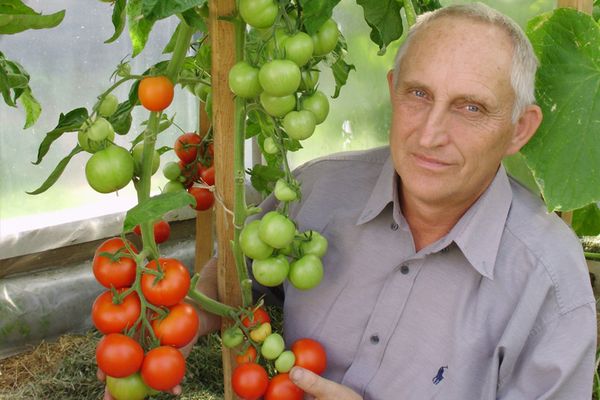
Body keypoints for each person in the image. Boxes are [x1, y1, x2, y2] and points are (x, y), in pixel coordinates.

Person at [103, 3, 597, 399]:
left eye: (471, 108)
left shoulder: (549, 284)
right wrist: (184, 323)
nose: (430, 134)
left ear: (520, 129)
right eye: (419, 94)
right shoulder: (319, 192)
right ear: (392, 91)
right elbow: (236, 275)